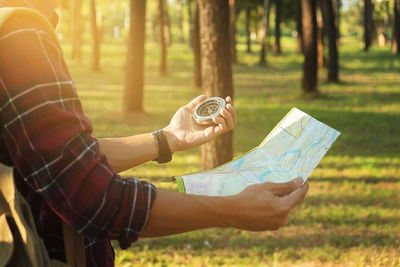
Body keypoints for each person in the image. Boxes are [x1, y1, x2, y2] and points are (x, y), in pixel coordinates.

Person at [0, 0, 309, 266]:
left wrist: (168, 137)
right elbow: (94, 198)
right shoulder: (18, 33)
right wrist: (231, 210)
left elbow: (60, 159)